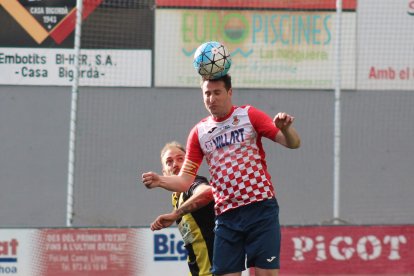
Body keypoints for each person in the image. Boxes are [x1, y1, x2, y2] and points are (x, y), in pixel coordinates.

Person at [142, 74, 301, 276]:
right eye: (207, 94)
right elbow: (184, 181)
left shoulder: (248, 115)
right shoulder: (199, 132)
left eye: (217, 93)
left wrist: (286, 130)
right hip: (227, 216)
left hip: (260, 208)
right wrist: (159, 181)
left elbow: (293, 143)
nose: (211, 98)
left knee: (266, 274)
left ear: (229, 92)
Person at [150, 141, 215, 276]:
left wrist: (175, 214)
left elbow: (208, 192)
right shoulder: (176, 198)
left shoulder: (193, 184)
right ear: (164, 172)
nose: (175, 164)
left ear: (190, 165)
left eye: (181, 159)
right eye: (169, 162)